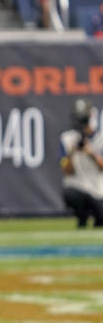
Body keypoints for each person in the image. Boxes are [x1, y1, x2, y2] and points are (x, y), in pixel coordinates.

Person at [60, 98, 103, 228]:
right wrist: (72, 152)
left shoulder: (101, 138)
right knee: (70, 193)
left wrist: (91, 154)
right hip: (78, 186)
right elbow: (67, 171)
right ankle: (81, 217)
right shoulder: (67, 138)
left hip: (98, 189)